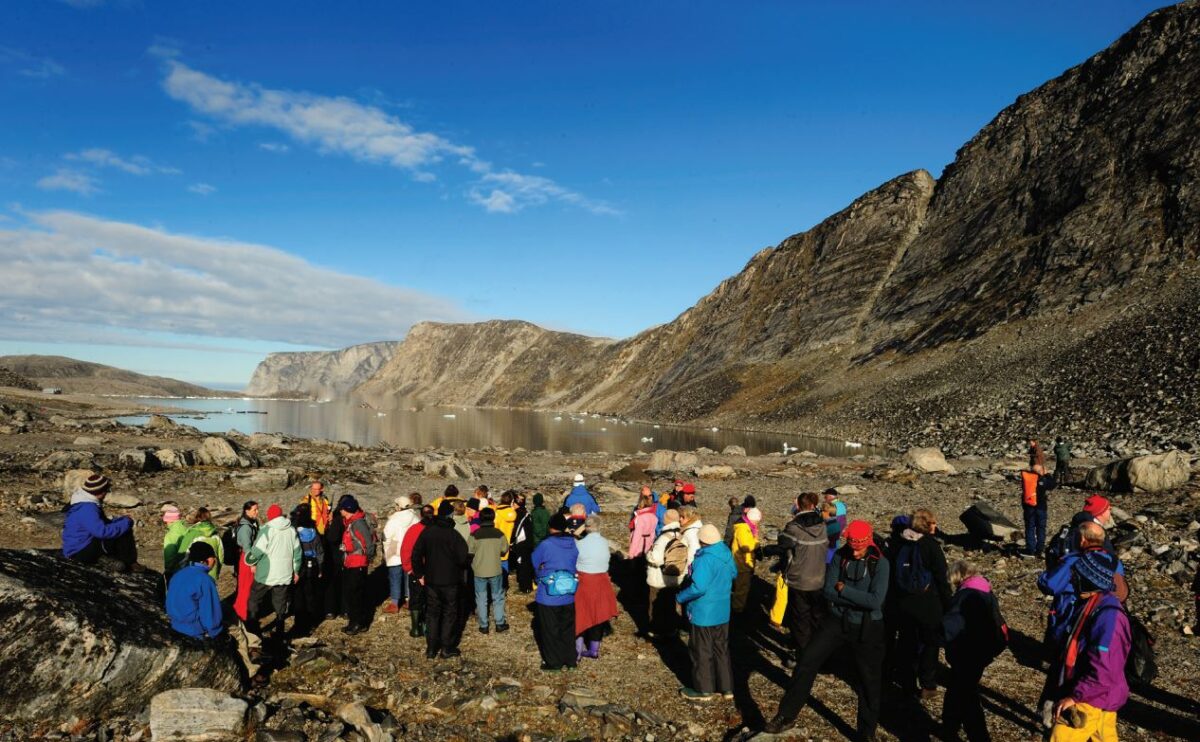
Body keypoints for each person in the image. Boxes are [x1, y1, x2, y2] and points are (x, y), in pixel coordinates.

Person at [765, 520, 890, 739]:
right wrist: (849, 595)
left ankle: (866, 733)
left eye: (859, 548)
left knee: (869, 681)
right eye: (852, 547)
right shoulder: (841, 556)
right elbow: (828, 591)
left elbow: (875, 601)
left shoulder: (880, 563)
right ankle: (786, 714)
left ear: (868, 542)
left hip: (867, 627)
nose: (856, 551)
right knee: (806, 661)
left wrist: (844, 590)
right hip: (836, 621)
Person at [1048, 551, 1130, 742]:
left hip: (1092, 696)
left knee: (1062, 737)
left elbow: (1104, 667)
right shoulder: (1093, 604)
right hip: (1101, 694)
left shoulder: (1108, 617)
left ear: (1090, 581)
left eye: (1076, 577)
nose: (1072, 580)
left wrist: (1076, 696)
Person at [166, 541, 266, 688]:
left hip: (178, 622)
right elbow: (210, 615)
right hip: (195, 628)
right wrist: (216, 633)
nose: (215, 560)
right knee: (237, 634)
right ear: (205, 560)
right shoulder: (204, 580)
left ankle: (254, 645)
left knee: (228, 609)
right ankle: (251, 673)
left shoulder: (180, 574)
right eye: (213, 557)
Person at [940, 560, 1006, 742]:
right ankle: (949, 726)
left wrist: (935, 635)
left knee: (966, 697)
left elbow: (951, 626)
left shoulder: (964, 597)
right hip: (983, 651)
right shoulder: (986, 591)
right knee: (956, 689)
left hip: (967, 652)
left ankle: (978, 736)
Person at [889, 508, 951, 698]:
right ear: (926, 525)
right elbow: (942, 577)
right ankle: (928, 683)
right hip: (928, 604)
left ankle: (906, 681)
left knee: (907, 643)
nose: (935, 525)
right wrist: (948, 603)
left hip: (904, 603)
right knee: (930, 645)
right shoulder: (930, 546)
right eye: (932, 522)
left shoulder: (898, 543)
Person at [677, 523, 736, 701]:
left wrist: (680, 597)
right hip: (722, 610)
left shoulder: (704, 559)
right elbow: (734, 573)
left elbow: (699, 587)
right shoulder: (725, 553)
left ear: (702, 541)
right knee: (721, 649)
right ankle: (727, 688)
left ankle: (704, 689)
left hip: (704, 612)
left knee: (701, 650)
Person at [768, 492, 828, 656]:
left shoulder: (793, 528)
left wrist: (765, 550)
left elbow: (783, 545)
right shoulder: (823, 526)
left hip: (799, 580)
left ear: (799, 506)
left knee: (800, 619)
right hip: (819, 578)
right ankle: (819, 654)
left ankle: (802, 656)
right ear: (812, 505)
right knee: (816, 618)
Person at [410, 501, 470, 658]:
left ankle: (431, 648)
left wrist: (419, 574)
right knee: (449, 614)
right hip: (450, 580)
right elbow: (463, 558)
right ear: (450, 515)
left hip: (431, 580)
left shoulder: (428, 532)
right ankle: (446, 647)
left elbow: (415, 553)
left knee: (432, 613)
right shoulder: (453, 535)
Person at [62, 473, 141, 572]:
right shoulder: (88, 508)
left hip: (79, 547)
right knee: (123, 531)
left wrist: (121, 520)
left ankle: (110, 561)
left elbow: (102, 524)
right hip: (79, 552)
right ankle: (130, 563)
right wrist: (126, 523)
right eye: (106, 491)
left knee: (121, 526)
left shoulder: (84, 503)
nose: (106, 494)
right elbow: (102, 532)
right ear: (100, 492)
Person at [245, 503, 301, 639]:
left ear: (270, 516)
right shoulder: (291, 530)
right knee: (280, 601)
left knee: (254, 599)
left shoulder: (267, 530)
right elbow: (297, 552)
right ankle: (280, 630)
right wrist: (296, 571)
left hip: (266, 573)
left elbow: (257, 551)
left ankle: (253, 629)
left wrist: (249, 560)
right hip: (285, 573)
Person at [532, 512, 580, 671]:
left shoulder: (546, 544)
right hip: (569, 593)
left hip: (549, 594)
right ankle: (570, 660)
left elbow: (535, 560)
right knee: (567, 628)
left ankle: (554, 663)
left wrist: (540, 574)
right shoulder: (573, 543)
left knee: (550, 629)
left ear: (550, 526)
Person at [575, 517, 619, 660]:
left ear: (586, 527)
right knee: (599, 614)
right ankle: (594, 649)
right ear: (599, 527)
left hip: (584, 579)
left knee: (581, 612)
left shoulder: (579, 544)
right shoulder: (604, 543)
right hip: (601, 580)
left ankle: (578, 649)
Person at [338, 496, 377, 635]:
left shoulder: (357, 523)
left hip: (357, 563)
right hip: (352, 562)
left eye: (341, 509)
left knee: (355, 595)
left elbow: (368, 543)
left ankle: (357, 623)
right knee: (353, 594)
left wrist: (368, 558)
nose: (340, 511)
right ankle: (357, 622)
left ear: (347, 510)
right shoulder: (351, 522)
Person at [468, 507, 509, 634]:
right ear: (493, 518)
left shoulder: (474, 535)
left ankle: (484, 625)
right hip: (495, 569)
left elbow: (470, 552)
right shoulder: (499, 534)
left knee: (481, 598)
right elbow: (504, 550)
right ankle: (499, 623)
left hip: (479, 571)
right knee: (497, 597)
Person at [646, 509, 685, 640]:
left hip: (659, 578)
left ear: (665, 520)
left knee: (656, 605)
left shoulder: (663, 537)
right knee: (670, 605)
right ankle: (671, 629)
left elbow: (656, 558)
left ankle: (656, 630)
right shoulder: (681, 535)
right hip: (675, 576)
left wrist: (648, 555)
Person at [290, 506, 325, 636]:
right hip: (312, 564)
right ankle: (312, 621)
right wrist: (321, 567)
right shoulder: (313, 530)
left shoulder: (293, 530)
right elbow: (319, 551)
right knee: (310, 593)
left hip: (298, 565)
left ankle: (300, 622)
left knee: (298, 594)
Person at [382, 494, 420, 613]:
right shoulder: (415, 518)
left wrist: (386, 549)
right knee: (409, 577)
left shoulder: (393, 519)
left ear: (398, 506)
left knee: (395, 577)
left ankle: (395, 603)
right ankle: (409, 600)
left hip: (395, 553)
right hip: (410, 552)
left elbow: (386, 536)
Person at [401, 505, 433, 638]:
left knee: (415, 598)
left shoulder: (414, 530)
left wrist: (408, 568)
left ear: (420, 515)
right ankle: (426, 626)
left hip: (416, 569)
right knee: (430, 599)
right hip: (432, 569)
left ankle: (416, 628)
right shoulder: (435, 529)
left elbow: (405, 550)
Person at [730, 507, 763, 614]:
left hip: (743, 562)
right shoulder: (743, 529)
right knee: (742, 587)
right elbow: (746, 546)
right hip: (742, 563)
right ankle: (737, 608)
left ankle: (738, 605)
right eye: (756, 522)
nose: (757, 524)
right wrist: (756, 541)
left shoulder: (746, 527)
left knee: (741, 586)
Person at [1020, 464, 1057, 558]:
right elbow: (1053, 485)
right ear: (1040, 471)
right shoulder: (1042, 480)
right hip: (1040, 507)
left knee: (1029, 527)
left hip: (1028, 507)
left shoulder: (1027, 478)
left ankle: (1030, 549)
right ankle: (1040, 549)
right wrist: (1047, 474)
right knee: (1041, 528)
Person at [232, 501, 260, 622]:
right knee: (247, 586)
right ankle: (243, 613)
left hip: (246, 558)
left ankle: (241, 611)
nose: (257, 512)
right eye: (255, 510)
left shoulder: (250, 524)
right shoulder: (246, 527)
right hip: (247, 559)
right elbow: (247, 547)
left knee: (245, 586)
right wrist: (252, 564)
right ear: (247, 511)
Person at [179, 508, 224, 581]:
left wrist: (181, 570)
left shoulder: (193, 532)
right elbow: (221, 555)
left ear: (197, 517)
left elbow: (183, 553)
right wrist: (217, 571)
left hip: (193, 572)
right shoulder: (215, 533)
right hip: (211, 572)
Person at [510, 493, 537, 593]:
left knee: (522, 565)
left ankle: (525, 587)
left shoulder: (520, 514)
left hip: (522, 543)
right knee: (526, 564)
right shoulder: (526, 513)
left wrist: (511, 541)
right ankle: (528, 585)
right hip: (528, 543)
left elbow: (516, 530)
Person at [628, 492, 659, 559]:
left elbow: (636, 536)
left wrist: (631, 553)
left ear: (641, 504)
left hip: (639, 547)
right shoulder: (654, 517)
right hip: (647, 546)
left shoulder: (640, 518)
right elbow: (653, 534)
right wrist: (651, 545)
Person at [161, 505, 189, 579]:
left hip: (177, 569)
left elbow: (169, 552)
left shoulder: (171, 534)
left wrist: (168, 569)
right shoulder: (185, 529)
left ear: (169, 520)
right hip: (187, 565)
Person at [678, 505, 704, 569]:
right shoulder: (695, 529)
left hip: (689, 569)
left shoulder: (691, 532)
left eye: (683, 517)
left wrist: (685, 572)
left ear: (690, 518)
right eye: (680, 516)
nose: (680, 519)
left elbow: (693, 553)